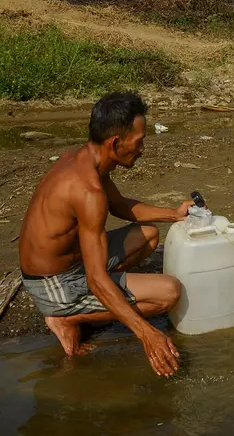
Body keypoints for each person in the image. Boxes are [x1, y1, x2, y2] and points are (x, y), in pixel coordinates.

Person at [18, 91, 191, 375]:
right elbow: (96, 279)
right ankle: (66, 317)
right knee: (168, 294)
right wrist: (146, 333)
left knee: (147, 234)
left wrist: (174, 214)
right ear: (115, 143)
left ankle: (93, 305)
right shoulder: (88, 191)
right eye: (139, 142)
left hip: (73, 264)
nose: (143, 148)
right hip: (53, 283)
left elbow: (121, 206)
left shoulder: (86, 158)